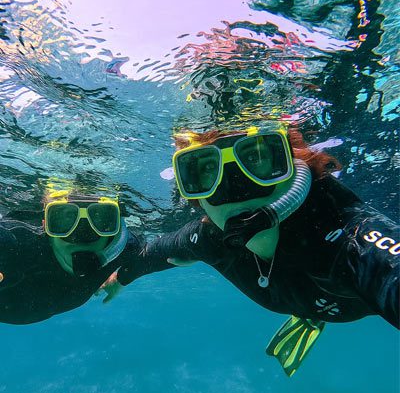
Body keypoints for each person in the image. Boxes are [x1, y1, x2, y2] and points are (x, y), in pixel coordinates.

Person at [108, 122, 399, 376]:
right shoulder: (209, 238)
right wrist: (122, 277)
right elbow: (157, 251)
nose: (233, 186)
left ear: (294, 168)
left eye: (256, 157)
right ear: (194, 193)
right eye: (207, 167)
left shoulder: (351, 238)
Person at [0, 190, 161, 324]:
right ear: (45, 225)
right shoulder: (16, 245)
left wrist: (125, 275)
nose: (82, 234)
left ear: (117, 226)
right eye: (65, 218)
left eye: (99, 217)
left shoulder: (126, 248)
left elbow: (178, 243)